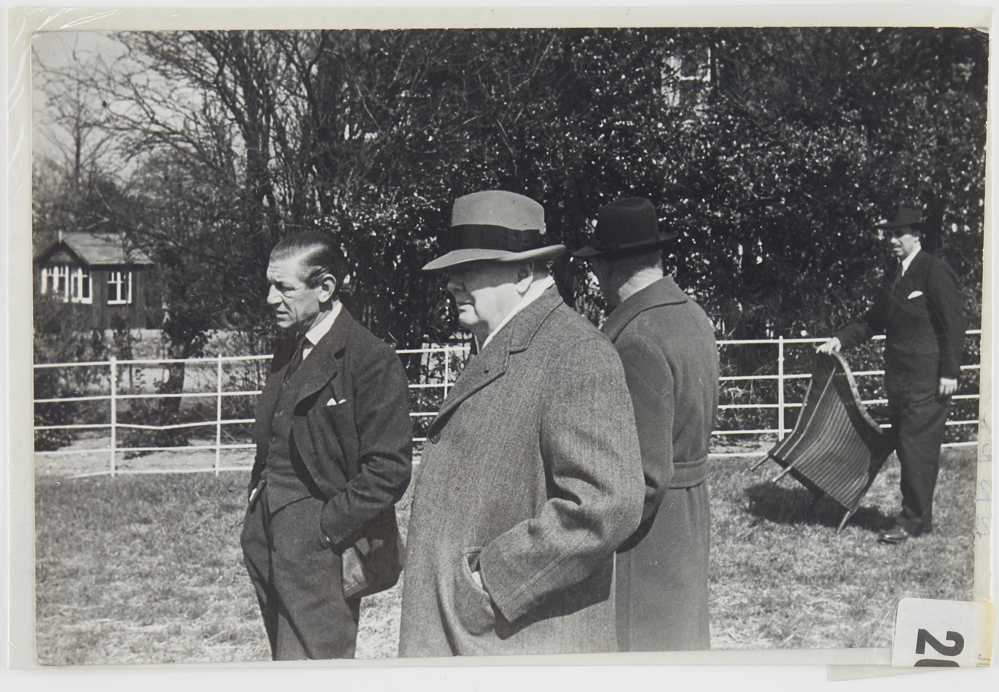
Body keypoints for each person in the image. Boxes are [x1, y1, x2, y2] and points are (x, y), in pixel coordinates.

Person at [398, 190, 645, 656]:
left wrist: (490, 579)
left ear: (522, 271)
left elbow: (608, 503)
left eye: (469, 268)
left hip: (519, 643)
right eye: (452, 270)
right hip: (483, 641)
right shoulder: (504, 343)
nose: (453, 283)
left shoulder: (574, 353)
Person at [240, 231, 412, 659]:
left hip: (322, 550)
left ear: (326, 288)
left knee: (318, 666)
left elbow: (389, 468)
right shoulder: (290, 347)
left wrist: (325, 530)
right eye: (269, 285)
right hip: (268, 538)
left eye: (283, 288)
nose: (270, 298)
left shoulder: (369, 358)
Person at [573, 197, 718, 651]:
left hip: (649, 537)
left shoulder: (636, 338)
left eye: (596, 266)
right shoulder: (692, 316)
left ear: (612, 267)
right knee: (680, 642)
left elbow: (643, 477)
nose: (596, 279)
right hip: (689, 513)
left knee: (644, 650)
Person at [817, 207, 965, 544]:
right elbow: (874, 320)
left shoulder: (934, 270)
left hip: (928, 381)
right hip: (899, 381)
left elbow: (954, 326)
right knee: (906, 447)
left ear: (917, 235)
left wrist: (950, 372)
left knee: (917, 448)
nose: (892, 240)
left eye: (899, 234)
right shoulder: (894, 275)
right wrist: (839, 339)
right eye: (890, 234)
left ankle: (913, 521)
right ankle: (916, 516)